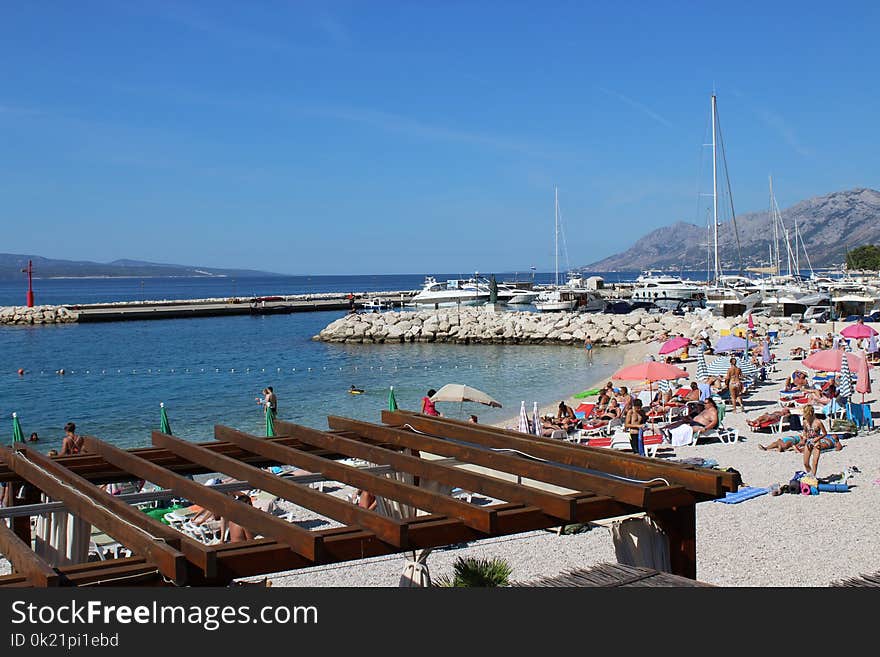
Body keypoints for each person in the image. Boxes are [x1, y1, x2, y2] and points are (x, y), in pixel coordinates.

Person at [795, 405, 840, 476]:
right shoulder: (805, 422)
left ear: (810, 413)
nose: (805, 416)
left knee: (815, 462)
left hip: (816, 443)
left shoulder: (818, 422)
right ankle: (810, 475)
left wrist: (817, 438)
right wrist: (804, 437)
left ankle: (813, 476)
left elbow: (825, 433)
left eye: (806, 414)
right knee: (805, 463)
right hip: (808, 442)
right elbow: (805, 431)